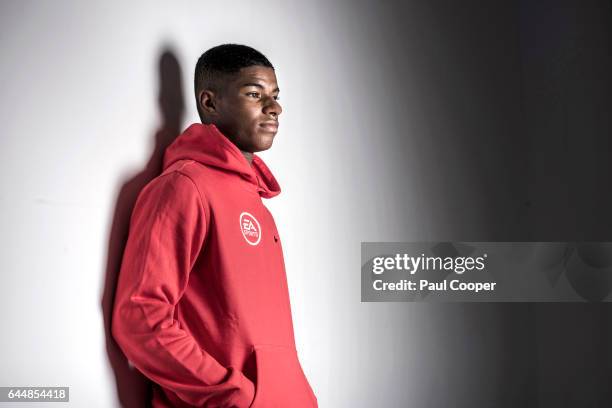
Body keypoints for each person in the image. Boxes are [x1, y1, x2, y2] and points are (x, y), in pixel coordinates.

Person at [111, 43, 318, 408]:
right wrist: (232, 395)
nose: (274, 108)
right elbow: (140, 316)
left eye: (275, 96)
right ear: (210, 103)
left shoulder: (258, 204)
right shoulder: (183, 187)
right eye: (255, 94)